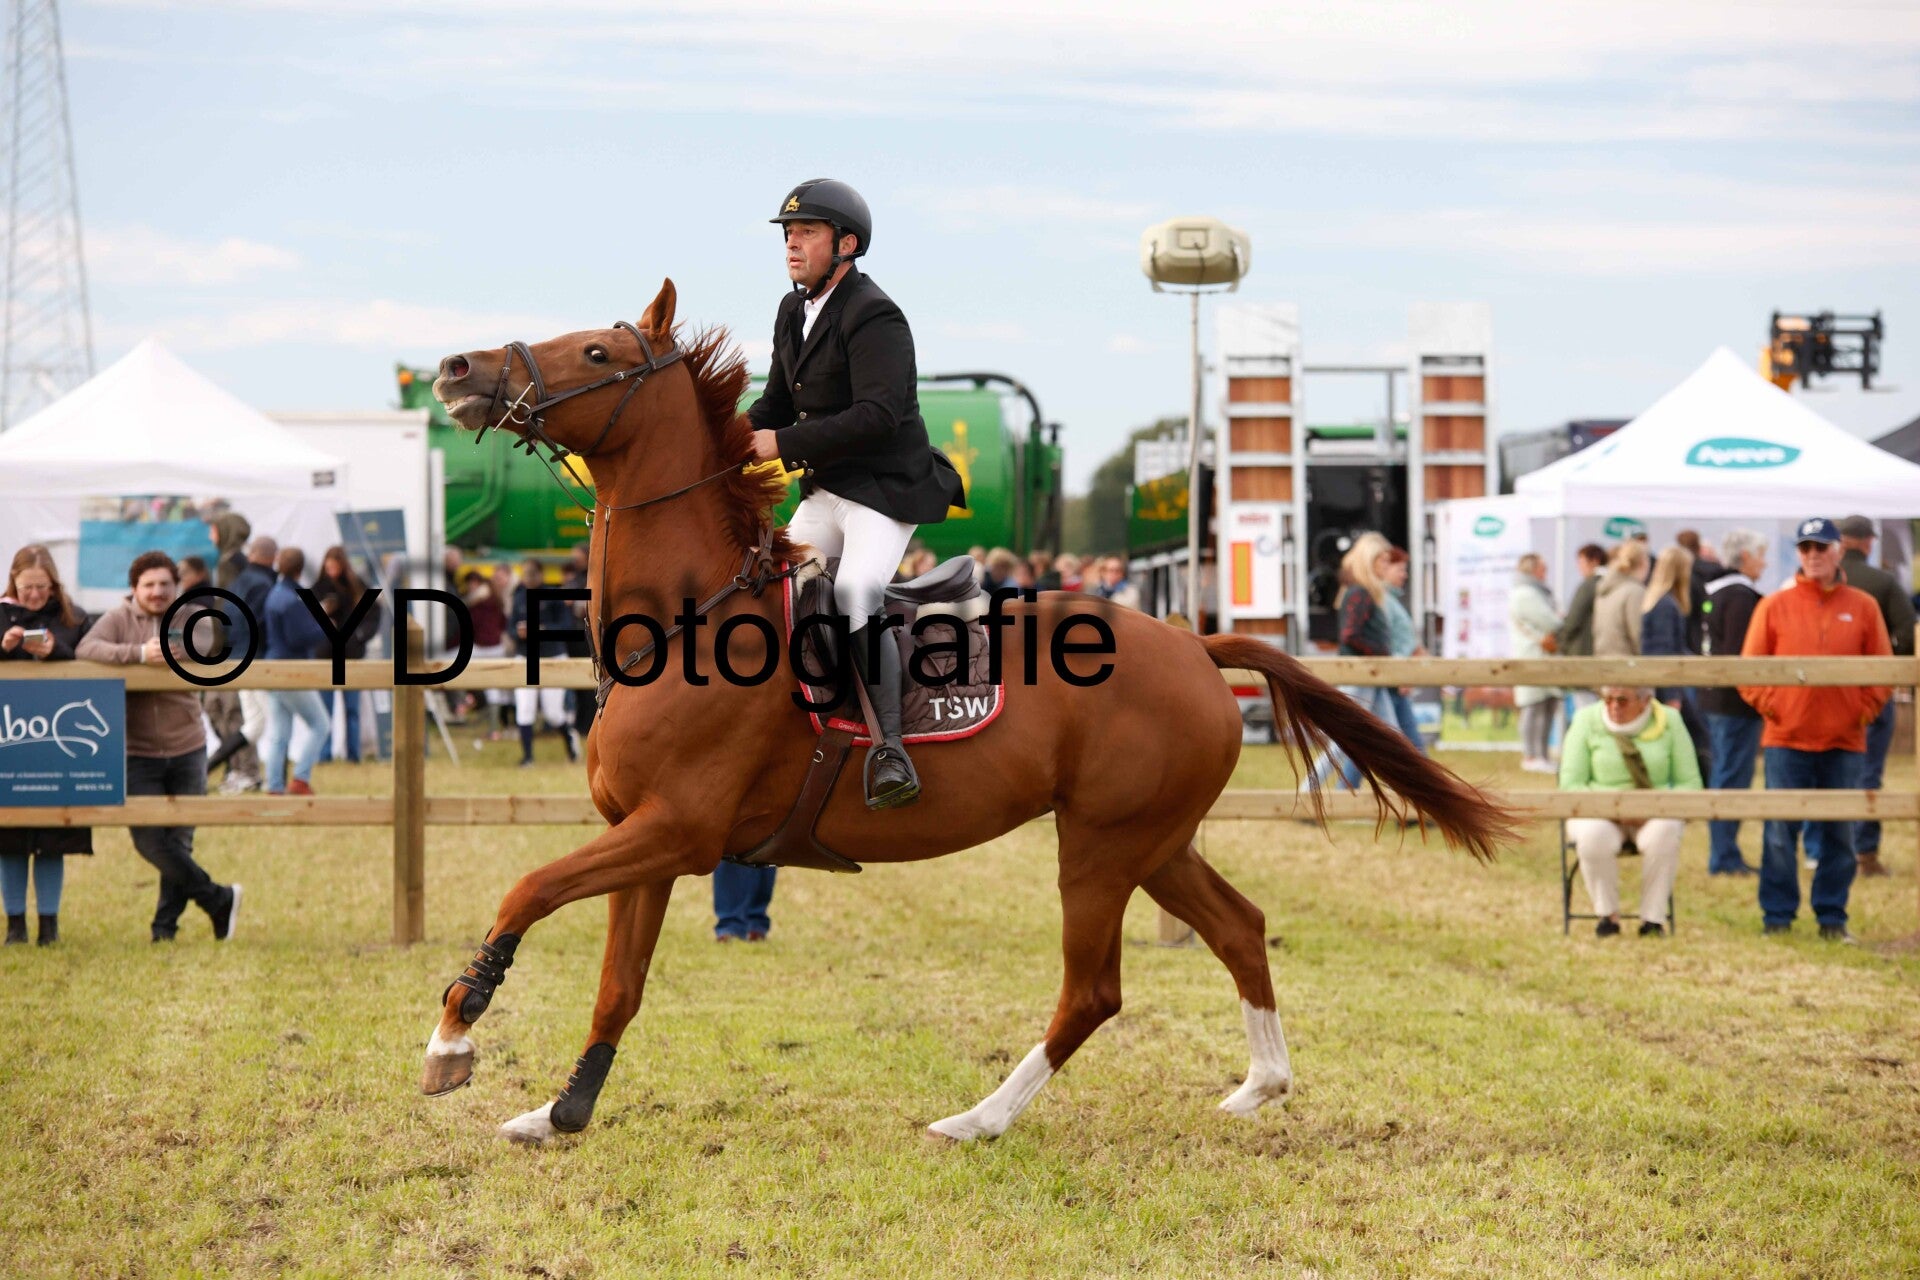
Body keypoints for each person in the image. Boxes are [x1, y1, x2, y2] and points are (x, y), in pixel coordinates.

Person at [746, 177, 965, 813]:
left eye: (806, 233)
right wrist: (726, 439)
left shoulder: (875, 314)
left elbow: (878, 415)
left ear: (846, 244)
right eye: (788, 234)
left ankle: (890, 750)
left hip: (885, 491)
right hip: (828, 488)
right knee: (775, 587)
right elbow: (776, 402)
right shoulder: (792, 310)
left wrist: (780, 443)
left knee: (854, 593)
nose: (792, 245)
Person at [1739, 517, 1891, 943]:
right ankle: (1777, 916)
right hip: (1786, 738)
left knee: (1839, 832)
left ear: (1838, 551)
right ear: (1797, 553)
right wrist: (1775, 707)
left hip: (1844, 740)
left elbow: (1883, 668)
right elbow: (1748, 670)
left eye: (1821, 547)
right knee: (1779, 831)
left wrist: (1861, 712)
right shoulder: (1774, 606)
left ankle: (1832, 916)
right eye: (1805, 548)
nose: (1813, 555)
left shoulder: (1863, 606)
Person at [76, 551, 240, 943]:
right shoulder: (117, 618)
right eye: (148, 585)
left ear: (177, 586)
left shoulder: (192, 615)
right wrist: (136, 654)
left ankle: (164, 929)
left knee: (179, 840)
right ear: (134, 589)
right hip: (139, 751)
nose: (157, 592)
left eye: (165, 584)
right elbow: (86, 649)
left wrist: (166, 653)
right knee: (149, 840)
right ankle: (218, 898)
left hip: (188, 745)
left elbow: (198, 646)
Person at [0, 545, 92, 944]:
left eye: (42, 587)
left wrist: (56, 651)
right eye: (27, 587)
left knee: (54, 835)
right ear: (13, 583)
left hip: (60, 741)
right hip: (8, 739)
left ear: (53, 584)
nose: (35, 595)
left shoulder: (75, 618)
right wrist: (4, 649)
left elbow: (90, 662)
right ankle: (15, 923)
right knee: (9, 837)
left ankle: (49, 925)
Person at [1559, 686, 1702, 937]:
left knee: (1666, 830)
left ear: (1645, 701)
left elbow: (1689, 783)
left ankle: (1652, 920)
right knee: (1593, 835)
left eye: (1622, 700)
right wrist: (1615, 810)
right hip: (1599, 812)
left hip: (1654, 813)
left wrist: (1651, 808)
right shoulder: (1585, 719)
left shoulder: (1669, 720)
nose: (1614, 706)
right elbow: (1571, 785)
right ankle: (1607, 916)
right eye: (1607, 699)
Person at [1836, 515, 1914, 878]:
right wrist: (1888, 664)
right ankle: (1864, 854)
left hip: (1829, 694)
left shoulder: (1827, 583)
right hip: (1872, 691)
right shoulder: (1883, 582)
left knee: (1829, 771)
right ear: (1868, 542)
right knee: (1868, 773)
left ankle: (1823, 850)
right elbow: (1907, 631)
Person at [1698, 528, 1769, 876]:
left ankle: (1724, 853)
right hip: (1735, 703)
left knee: (1725, 773)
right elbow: (1742, 654)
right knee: (1731, 777)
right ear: (1745, 557)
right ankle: (1724, 856)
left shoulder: (1715, 591)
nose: (1764, 563)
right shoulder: (1741, 597)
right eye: (1761, 555)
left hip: (1715, 698)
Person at [261, 547, 331, 796]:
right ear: (300, 569)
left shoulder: (275, 594)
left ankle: (274, 785)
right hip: (291, 669)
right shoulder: (292, 599)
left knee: (279, 733)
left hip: (273, 667)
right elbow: (298, 638)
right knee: (320, 724)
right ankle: (301, 777)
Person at [1639, 545, 1708, 779]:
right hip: (1666, 685)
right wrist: (1672, 695)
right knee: (1696, 737)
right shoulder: (1667, 606)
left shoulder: (1655, 601)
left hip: (1657, 682)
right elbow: (1664, 651)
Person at [509, 558, 578, 768]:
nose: (527, 578)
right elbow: (510, 628)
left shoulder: (554, 595)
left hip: (552, 656)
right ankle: (527, 757)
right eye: (524, 573)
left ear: (540, 574)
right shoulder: (519, 597)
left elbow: (566, 626)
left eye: (531, 573)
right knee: (524, 708)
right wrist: (519, 633)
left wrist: (543, 630)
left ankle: (570, 744)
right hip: (525, 656)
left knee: (553, 713)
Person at [311, 546, 377, 764]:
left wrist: (359, 635)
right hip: (325, 656)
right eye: (328, 566)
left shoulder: (357, 587)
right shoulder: (319, 588)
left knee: (352, 708)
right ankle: (324, 754)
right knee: (324, 710)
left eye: (335, 566)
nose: (331, 571)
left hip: (351, 656)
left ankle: (353, 754)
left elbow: (373, 615)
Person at [1508, 552, 1562, 774]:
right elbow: (1550, 621)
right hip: (1533, 657)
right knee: (1534, 706)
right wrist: (1560, 620)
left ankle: (1541, 754)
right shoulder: (1526, 593)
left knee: (1545, 705)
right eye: (1542, 568)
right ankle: (1532, 755)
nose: (1545, 572)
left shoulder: (1532, 592)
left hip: (1540, 656)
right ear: (1533, 569)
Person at [1553, 544, 1608, 709]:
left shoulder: (1589, 585)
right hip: (1604, 658)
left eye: (1581, 562)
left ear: (1594, 560)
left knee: (1586, 709)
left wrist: (1559, 642)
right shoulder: (1612, 582)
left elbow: (1573, 621)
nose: (1579, 567)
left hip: (1584, 656)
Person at [1592, 539, 1649, 658]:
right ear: (1643, 563)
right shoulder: (1635, 592)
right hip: (1627, 662)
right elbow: (1638, 635)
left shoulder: (1605, 589)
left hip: (1603, 660)